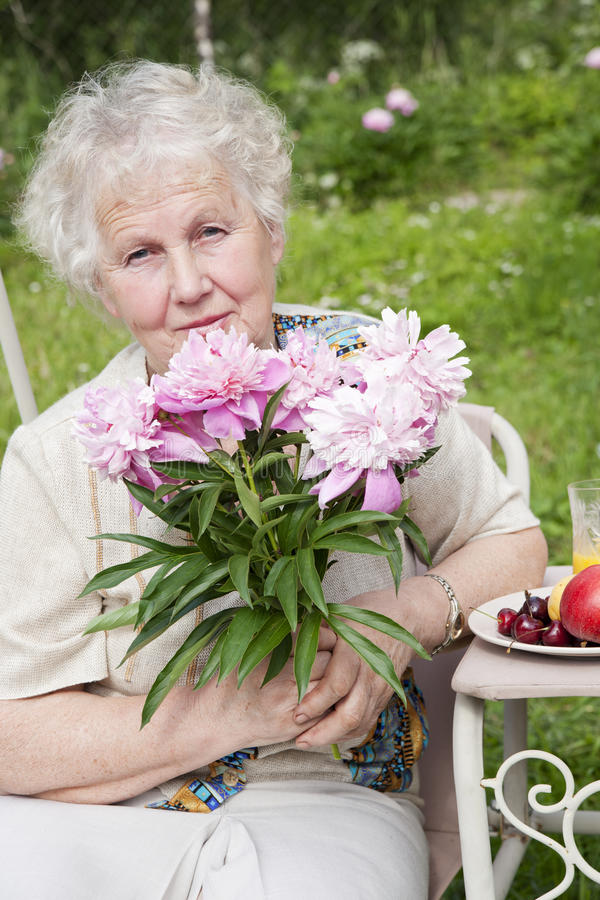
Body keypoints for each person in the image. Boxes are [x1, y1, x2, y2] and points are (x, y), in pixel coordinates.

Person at [0, 60, 547, 900]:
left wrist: (394, 625)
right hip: (102, 817)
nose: (188, 287)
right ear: (101, 290)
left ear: (273, 230)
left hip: (317, 799)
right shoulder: (61, 455)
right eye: (140, 254)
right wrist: (240, 709)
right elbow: (13, 738)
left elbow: (511, 542)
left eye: (213, 232)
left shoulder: (375, 379)